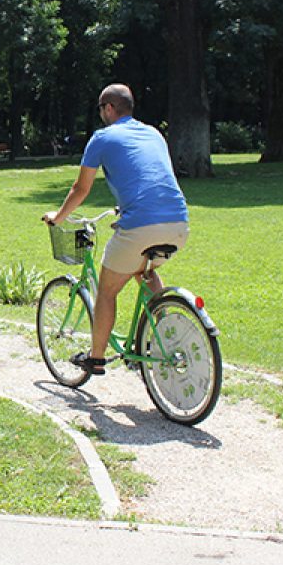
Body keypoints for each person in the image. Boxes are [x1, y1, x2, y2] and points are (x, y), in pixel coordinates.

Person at [42, 84, 189, 375]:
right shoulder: (154, 133)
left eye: (100, 109)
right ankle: (165, 335)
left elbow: (80, 189)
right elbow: (151, 177)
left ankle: (95, 358)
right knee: (144, 270)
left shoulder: (102, 138)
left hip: (141, 227)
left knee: (107, 291)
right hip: (179, 223)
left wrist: (58, 217)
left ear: (109, 108)